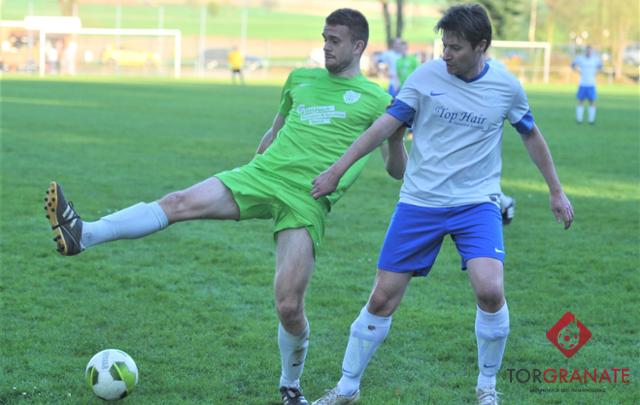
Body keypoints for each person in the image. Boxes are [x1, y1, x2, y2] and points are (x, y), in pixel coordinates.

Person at [44, 9, 403, 405]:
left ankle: (290, 386)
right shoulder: (300, 78)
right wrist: (255, 162)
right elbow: (275, 129)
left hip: (308, 198)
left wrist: (396, 134)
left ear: (358, 46)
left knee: (288, 305)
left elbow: (395, 170)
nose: (326, 46)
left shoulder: (378, 100)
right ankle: (84, 233)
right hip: (261, 176)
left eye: (335, 40)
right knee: (178, 202)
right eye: (324, 38)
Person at [310, 4, 574, 405]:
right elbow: (384, 127)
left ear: (481, 46)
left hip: (476, 203)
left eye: (455, 48)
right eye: (443, 45)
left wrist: (556, 190)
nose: (445, 54)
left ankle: (487, 386)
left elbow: (531, 134)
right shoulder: (425, 77)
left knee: (490, 290)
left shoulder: (506, 86)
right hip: (420, 202)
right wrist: (336, 170)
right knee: (382, 298)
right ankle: (347, 387)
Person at [571, 45, 602, 124]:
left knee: (592, 102)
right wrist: (577, 71)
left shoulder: (595, 59)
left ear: (592, 51)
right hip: (582, 84)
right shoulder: (580, 59)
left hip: (591, 84)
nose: (588, 52)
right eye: (587, 50)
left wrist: (596, 72)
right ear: (585, 51)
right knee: (580, 101)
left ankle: (591, 120)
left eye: (590, 50)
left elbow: (600, 66)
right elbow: (573, 64)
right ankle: (579, 120)